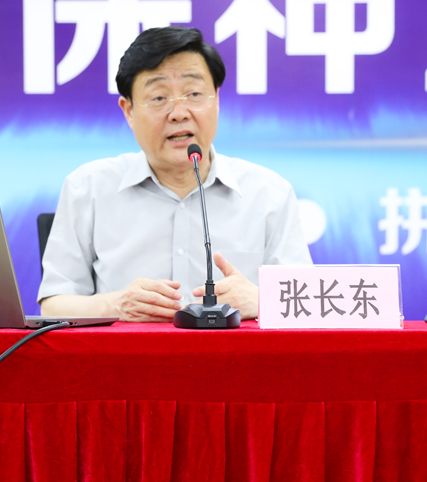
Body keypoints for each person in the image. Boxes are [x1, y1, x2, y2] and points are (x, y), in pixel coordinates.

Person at [38, 26, 311, 322]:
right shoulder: (87, 188)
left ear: (216, 99)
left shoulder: (269, 193)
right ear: (128, 110)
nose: (179, 113)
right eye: (158, 98)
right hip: (126, 353)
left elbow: (308, 305)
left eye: (194, 94)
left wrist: (261, 301)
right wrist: (116, 305)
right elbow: (53, 306)